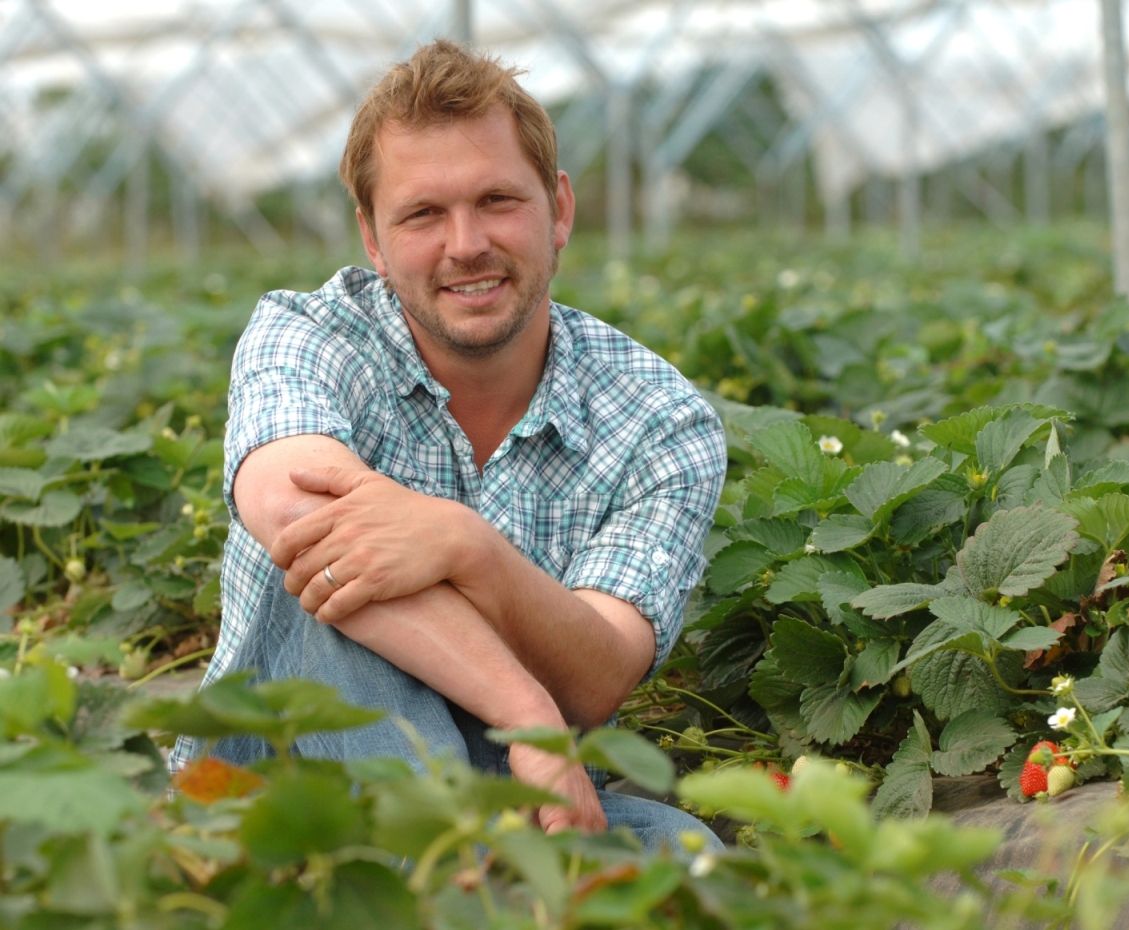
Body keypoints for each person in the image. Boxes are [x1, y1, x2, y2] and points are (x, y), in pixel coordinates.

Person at [170, 39, 726, 849]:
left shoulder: (660, 418)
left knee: (689, 860)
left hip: (516, 786)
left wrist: (470, 551)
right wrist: (526, 710)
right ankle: (466, 868)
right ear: (372, 237)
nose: (466, 244)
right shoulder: (305, 333)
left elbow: (601, 675)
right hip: (272, 785)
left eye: (497, 200)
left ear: (559, 208)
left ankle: (470, 868)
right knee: (330, 579)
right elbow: (299, 516)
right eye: (423, 214)